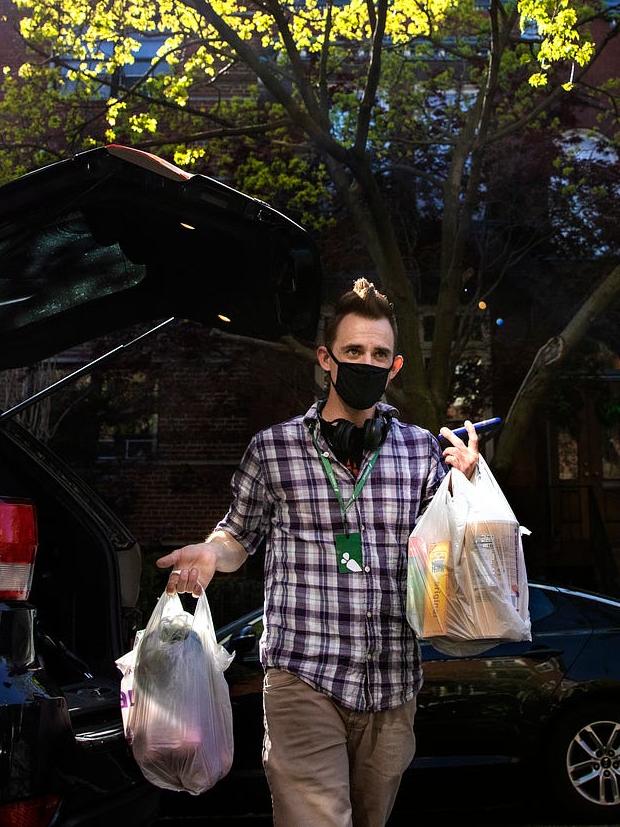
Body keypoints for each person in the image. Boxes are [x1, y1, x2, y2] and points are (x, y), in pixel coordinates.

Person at [158, 278, 479, 827]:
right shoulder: (274, 449)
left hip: (393, 680)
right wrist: (211, 554)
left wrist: (465, 490)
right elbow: (237, 536)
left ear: (395, 366)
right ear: (326, 359)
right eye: (353, 351)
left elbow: (446, 554)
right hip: (303, 676)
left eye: (378, 354)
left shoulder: (421, 449)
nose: (366, 363)